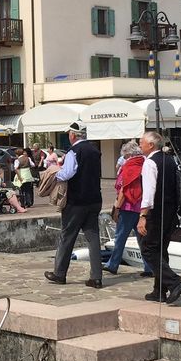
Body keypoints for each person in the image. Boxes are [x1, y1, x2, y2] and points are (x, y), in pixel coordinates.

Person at [45, 122, 103, 289]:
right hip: (94, 199)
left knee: (67, 236)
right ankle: (96, 277)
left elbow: (67, 173)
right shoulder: (95, 150)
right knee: (93, 238)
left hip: (76, 200)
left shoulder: (74, 151)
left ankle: (59, 273)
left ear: (72, 135)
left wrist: (56, 173)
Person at [137, 132, 181, 302]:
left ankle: (175, 282)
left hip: (156, 212)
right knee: (161, 250)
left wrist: (143, 215)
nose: (139, 144)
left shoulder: (150, 162)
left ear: (151, 145)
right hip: (170, 211)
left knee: (148, 249)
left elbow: (149, 192)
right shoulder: (169, 160)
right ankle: (159, 290)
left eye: (142, 142)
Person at [104, 142, 145, 276]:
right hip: (142, 207)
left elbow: (123, 189)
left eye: (125, 156)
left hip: (128, 207)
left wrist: (116, 208)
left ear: (129, 155)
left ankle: (112, 264)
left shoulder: (128, 167)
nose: (124, 159)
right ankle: (149, 267)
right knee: (143, 239)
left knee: (120, 237)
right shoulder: (145, 164)